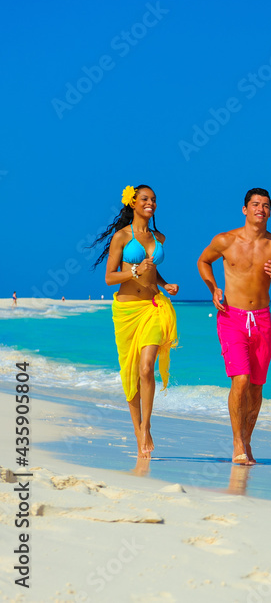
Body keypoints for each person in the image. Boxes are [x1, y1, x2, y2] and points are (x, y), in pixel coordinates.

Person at [197, 188, 271, 465]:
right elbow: (203, 261)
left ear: (270, 211)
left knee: (257, 387)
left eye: (266, 205)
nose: (261, 209)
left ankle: (247, 441)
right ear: (245, 209)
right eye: (256, 204)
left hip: (262, 319)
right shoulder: (225, 240)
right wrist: (213, 288)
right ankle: (237, 443)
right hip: (232, 317)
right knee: (241, 379)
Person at [90, 185, 179, 459]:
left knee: (146, 367)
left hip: (154, 306)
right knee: (130, 372)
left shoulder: (159, 236)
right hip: (127, 311)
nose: (150, 202)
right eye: (145, 199)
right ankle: (137, 429)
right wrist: (134, 272)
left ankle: (147, 426)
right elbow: (109, 278)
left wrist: (165, 283)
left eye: (153, 199)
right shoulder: (121, 237)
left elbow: (152, 270)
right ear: (133, 203)